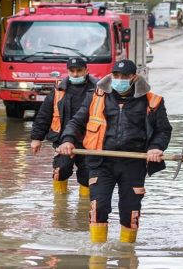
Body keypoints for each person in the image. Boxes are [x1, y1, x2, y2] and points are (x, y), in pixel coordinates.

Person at [57, 59, 173, 244]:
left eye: (124, 76)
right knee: (99, 206)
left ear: (134, 77)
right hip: (101, 161)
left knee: (130, 210)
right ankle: (97, 256)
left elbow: (163, 130)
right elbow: (77, 122)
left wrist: (155, 148)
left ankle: (127, 254)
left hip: (133, 163)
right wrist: (68, 140)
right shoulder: (96, 96)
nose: (119, 79)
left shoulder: (153, 101)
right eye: (116, 75)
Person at [31, 57, 98, 197]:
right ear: (67, 71)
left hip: (90, 141)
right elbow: (44, 115)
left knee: (87, 175)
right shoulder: (58, 90)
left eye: (79, 71)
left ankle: (83, 207)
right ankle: (59, 205)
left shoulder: (99, 90)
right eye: (71, 71)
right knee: (61, 170)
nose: (75, 74)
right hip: (62, 140)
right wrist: (36, 138)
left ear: (86, 70)